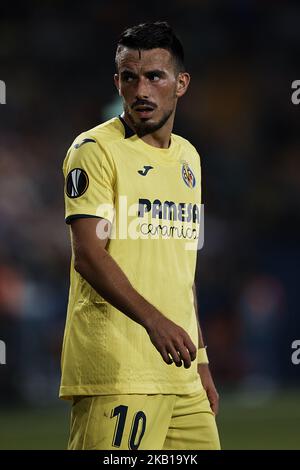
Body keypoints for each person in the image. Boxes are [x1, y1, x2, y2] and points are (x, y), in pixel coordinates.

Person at [60, 21, 220, 450]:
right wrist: (154, 322)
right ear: (117, 82)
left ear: (180, 83)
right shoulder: (94, 151)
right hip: (118, 372)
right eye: (129, 77)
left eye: (155, 76)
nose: (141, 90)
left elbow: (184, 270)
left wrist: (201, 360)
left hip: (182, 376)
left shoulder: (191, 159)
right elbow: (88, 255)